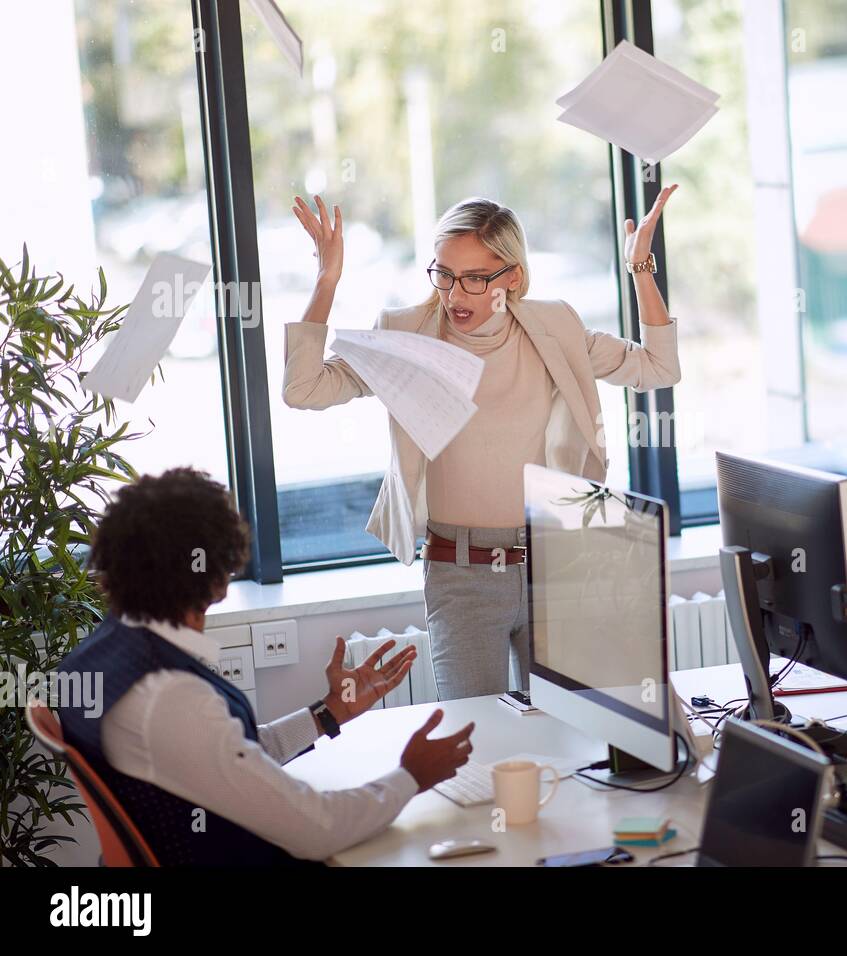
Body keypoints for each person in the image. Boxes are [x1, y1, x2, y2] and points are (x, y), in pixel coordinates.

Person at [283, 190, 682, 700]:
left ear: (512, 275)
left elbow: (659, 366)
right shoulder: (407, 335)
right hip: (460, 576)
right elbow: (304, 389)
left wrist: (641, 269)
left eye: (474, 278)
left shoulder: (556, 328)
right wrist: (326, 281)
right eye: (444, 275)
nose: (455, 294)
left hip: (555, 564)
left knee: (570, 738)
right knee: (476, 743)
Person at [56, 468, 475, 865]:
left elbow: (233, 757)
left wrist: (330, 712)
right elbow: (319, 829)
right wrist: (411, 777)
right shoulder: (168, 696)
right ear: (219, 575)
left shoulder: (100, 655)